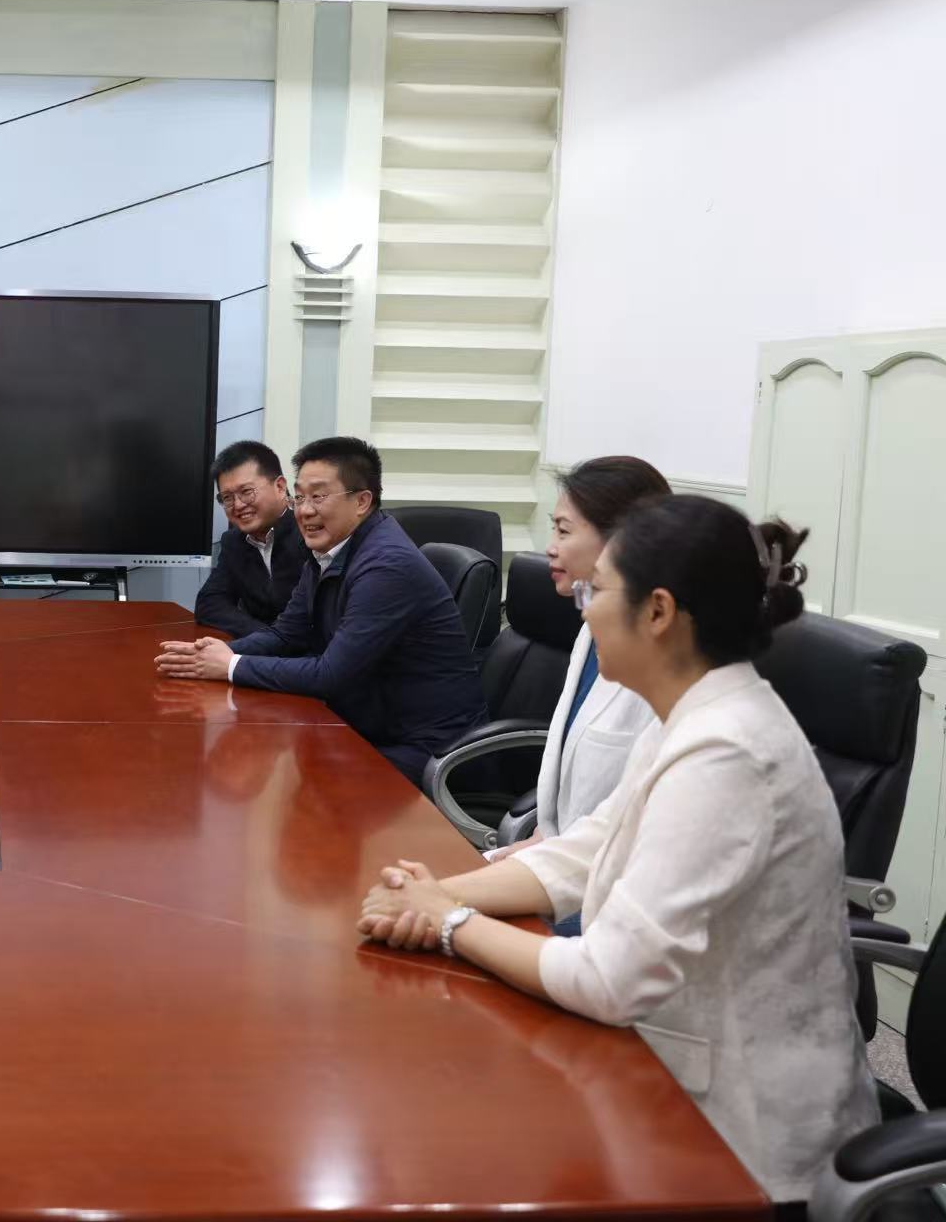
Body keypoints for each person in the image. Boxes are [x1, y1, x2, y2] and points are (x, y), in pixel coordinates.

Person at [355, 495, 876, 1203]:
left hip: (742, 1143)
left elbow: (609, 979)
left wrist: (448, 922)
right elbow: (587, 849)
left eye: (596, 591)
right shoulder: (691, 715)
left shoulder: (727, 753)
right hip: (659, 1069)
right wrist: (436, 893)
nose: (584, 609)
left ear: (658, 612)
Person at [156, 436, 487, 783]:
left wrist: (231, 665)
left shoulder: (387, 566)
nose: (304, 510)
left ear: (361, 501)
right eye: (300, 497)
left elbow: (331, 674)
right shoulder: (330, 551)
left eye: (318, 496)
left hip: (431, 752)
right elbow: (286, 634)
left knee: (301, 780)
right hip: (373, 727)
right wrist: (211, 656)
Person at [487, 456, 673, 872]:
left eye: (563, 530)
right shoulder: (592, 627)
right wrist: (544, 841)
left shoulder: (668, 670)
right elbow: (586, 819)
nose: (550, 546)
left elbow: (631, 841)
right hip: (567, 865)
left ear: (624, 542)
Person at [193, 440, 305, 638]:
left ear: (280, 487)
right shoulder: (233, 541)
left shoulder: (310, 532)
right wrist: (267, 637)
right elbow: (209, 603)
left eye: (246, 492)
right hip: (260, 648)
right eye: (227, 497)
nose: (237, 505)